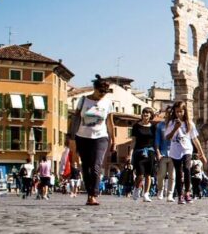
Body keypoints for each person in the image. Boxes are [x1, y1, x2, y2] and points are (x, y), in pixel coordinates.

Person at [66, 75, 117, 207]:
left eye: (105, 92)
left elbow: (110, 123)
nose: (103, 94)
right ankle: (89, 194)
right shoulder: (83, 100)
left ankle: (93, 194)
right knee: (86, 167)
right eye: (101, 91)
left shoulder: (108, 102)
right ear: (95, 88)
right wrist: (71, 138)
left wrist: (114, 141)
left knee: (96, 167)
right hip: (82, 137)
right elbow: (75, 119)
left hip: (101, 137)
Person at [164, 100, 204, 205]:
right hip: (175, 150)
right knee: (178, 172)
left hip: (187, 149)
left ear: (184, 111)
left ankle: (187, 193)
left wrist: (201, 152)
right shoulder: (171, 123)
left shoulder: (190, 124)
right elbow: (168, 137)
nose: (179, 114)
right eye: (177, 112)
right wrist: (175, 128)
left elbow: (195, 139)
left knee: (187, 170)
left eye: (181, 111)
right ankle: (180, 195)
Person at [128, 108, 158, 202]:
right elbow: (133, 141)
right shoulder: (136, 126)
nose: (145, 114)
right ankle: (137, 189)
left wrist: (157, 153)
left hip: (150, 152)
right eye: (144, 112)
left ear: (151, 115)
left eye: (148, 113)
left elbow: (155, 142)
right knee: (140, 175)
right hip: (139, 152)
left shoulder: (153, 127)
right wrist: (130, 154)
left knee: (148, 175)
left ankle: (146, 194)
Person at [154, 108, 176, 201]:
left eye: (171, 112)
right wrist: (158, 152)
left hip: (174, 153)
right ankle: (160, 191)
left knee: (172, 175)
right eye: (168, 112)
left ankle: (170, 194)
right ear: (165, 113)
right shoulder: (160, 125)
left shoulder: (176, 125)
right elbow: (157, 141)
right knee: (161, 174)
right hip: (163, 153)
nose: (170, 114)